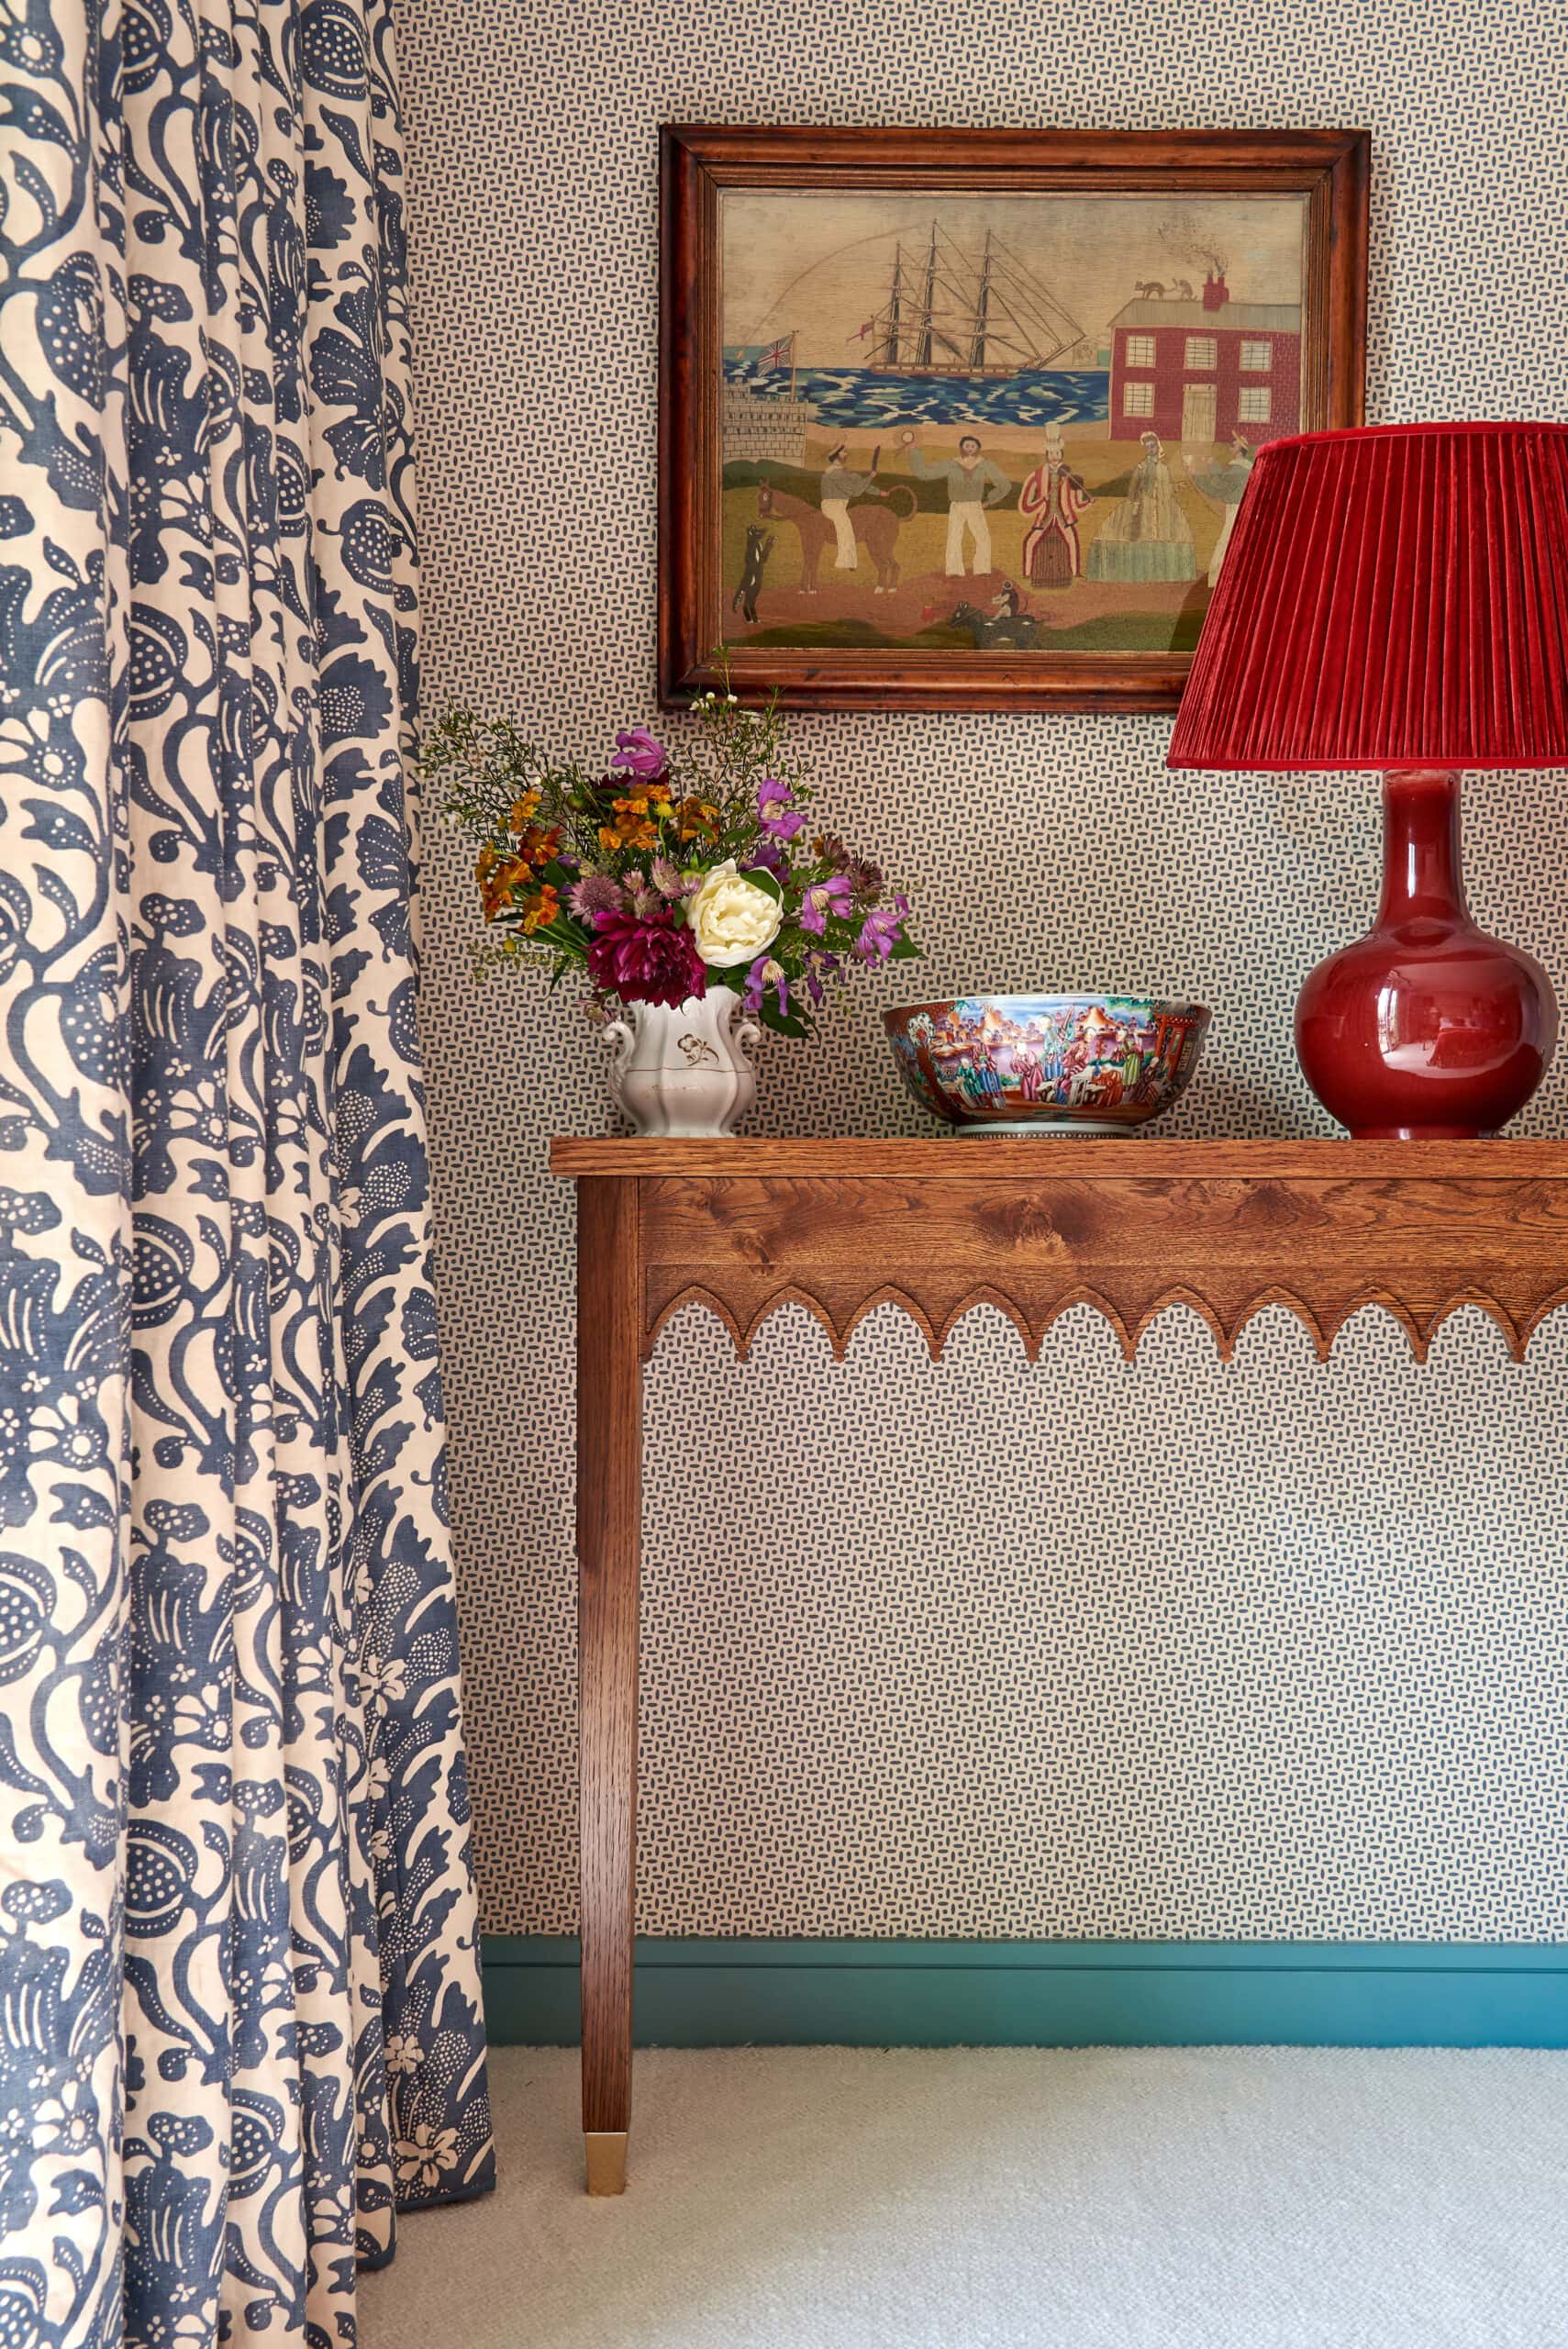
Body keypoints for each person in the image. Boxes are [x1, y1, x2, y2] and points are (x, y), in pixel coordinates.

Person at [1085, 431, 1196, 584]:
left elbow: (1167, 488)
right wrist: (1135, 504)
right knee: (1143, 534)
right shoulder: (1141, 467)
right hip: (1145, 506)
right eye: (1148, 447)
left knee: (1164, 535)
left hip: (1163, 507)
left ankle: (1161, 573)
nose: (1151, 449)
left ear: (1158, 446)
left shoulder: (1164, 469)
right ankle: (1140, 573)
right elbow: (1132, 489)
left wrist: (1177, 486)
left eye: (1153, 446)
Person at [900, 427, 1011, 577]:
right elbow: (924, 473)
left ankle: (983, 569)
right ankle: (954, 571)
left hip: (975, 505)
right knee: (954, 537)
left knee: (983, 537)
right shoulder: (952, 464)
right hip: (956, 506)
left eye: (973, 446)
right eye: (967, 446)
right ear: (961, 448)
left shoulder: (985, 464)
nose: (970, 449)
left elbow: (1004, 484)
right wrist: (914, 451)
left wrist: (989, 500)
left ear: (978, 448)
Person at [1018, 425, 1093, 587]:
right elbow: (1024, 505)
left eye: (1057, 453)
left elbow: (1077, 503)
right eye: (1051, 453)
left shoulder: (1070, 476)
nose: (1054, 457)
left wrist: (1087, 501)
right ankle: (1027, 572)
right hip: (1044, 517)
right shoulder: (1037, 476)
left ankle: (1075, 572)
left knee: (1072, 540)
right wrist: (1041, 501)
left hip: (1063, 516)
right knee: (1030, 541)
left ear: (1062, 454)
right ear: (1046, 455)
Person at [1184, 433, 1255, 586]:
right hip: (1242, 509)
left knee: (1228, 542)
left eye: (1234, 444)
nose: (1231, 445)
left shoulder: (1239, 469)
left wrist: (1197, 475)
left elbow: (1218, 487)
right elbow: (1223, 479)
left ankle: (1221, 580)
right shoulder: (1244, 467)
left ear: (1240, 449)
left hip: (1237, 511)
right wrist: (1212, 464)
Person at [818, 444, 878, 572]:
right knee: (846, 528)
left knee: (847, 526)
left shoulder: (843, 471)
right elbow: (855, 491)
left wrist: (879, 492)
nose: (846, 454)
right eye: (844, 452)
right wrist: (870, 477)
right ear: (837, 455)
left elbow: (858, 483)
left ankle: (848, 561)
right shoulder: (833, 472)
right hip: (832, 506)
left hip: (840, 505)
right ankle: (846, 562)